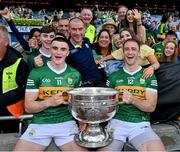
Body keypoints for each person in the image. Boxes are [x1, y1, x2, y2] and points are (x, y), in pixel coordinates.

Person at [14, 37, 87, 151]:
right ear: (50, 51)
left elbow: (77, 104)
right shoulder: (36, 73)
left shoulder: (75, 74)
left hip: (66, 124)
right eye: (55, 48)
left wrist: (82, 120)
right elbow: (28, 107)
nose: (58, 52)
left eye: (63, 49)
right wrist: (48, 102)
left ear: (67, 53)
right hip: (40, 123)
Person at [100, 38, 165, 151]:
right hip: (116, 124)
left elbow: (151, 107)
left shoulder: (148, 75)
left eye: (134, 49)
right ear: (122, 53)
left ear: (139, 53)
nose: (130, 52)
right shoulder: (113, 76)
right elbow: (106, 107)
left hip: (140, 124)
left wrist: (133, 99)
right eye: (127, 49)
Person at [0, 25, 29, 133]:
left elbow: (24, 88)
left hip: (11, 114)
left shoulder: (18, 62)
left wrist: (2, 99)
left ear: (6, 42)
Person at [67, 17, 106, 87]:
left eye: (80, 29)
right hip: (83, 86)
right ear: (69, 30)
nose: (77, 33)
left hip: (100, 82)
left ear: (84, 29)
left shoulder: (86, 40)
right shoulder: (65, 47)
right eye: (74, 29)